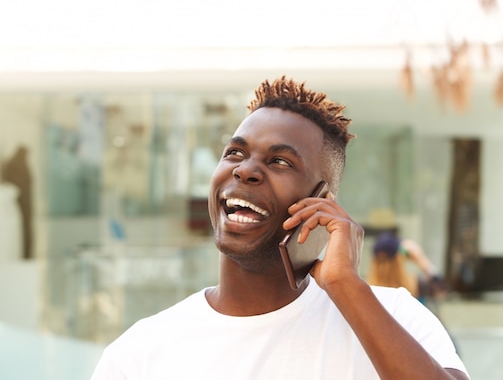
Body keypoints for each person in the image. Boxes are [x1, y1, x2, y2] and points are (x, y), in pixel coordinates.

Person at [90, 76, 469, 380]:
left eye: (280, 161)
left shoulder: (395, 317)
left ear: (322, 201)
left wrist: (345, 286)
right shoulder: (139, 355)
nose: (245, 169)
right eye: (235, 153)